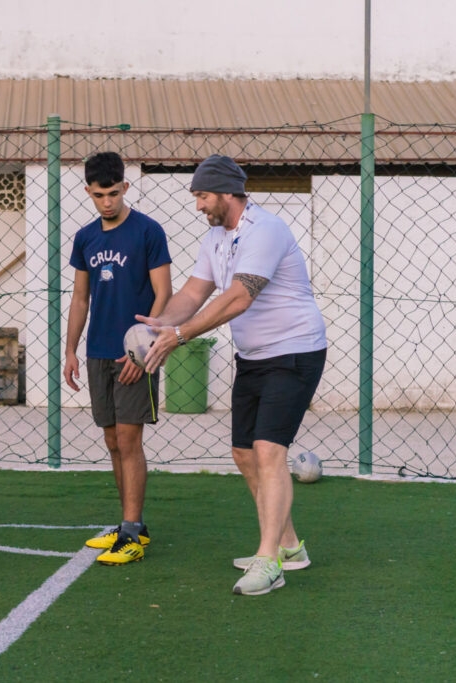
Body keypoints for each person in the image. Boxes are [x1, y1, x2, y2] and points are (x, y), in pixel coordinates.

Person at [139, 154, 327, 595]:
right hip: (254, 357)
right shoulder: (216, 238)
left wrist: (180, 335)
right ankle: (290, 548)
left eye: (203, 196)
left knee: (268, 450)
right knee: (243, 452)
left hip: (295, 351)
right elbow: (193, 291)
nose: (199, 205)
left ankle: (269, 562)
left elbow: (240, 296)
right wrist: (160, 326)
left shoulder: (267, 230)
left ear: (226, 192)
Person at [64, 152, 172, 565]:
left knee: (129, 440)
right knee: (111, 441)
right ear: (88, 192)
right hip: (97, 352)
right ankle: (132, 525)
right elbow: (79, 297)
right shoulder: (86, 237)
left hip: (135, 353)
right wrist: (71, 350)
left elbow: (165, 294)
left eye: (113, 194)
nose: (106, 202)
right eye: (98, 195)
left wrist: (145, 349)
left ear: (125, 188)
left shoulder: (148, 231)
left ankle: (130, 531)